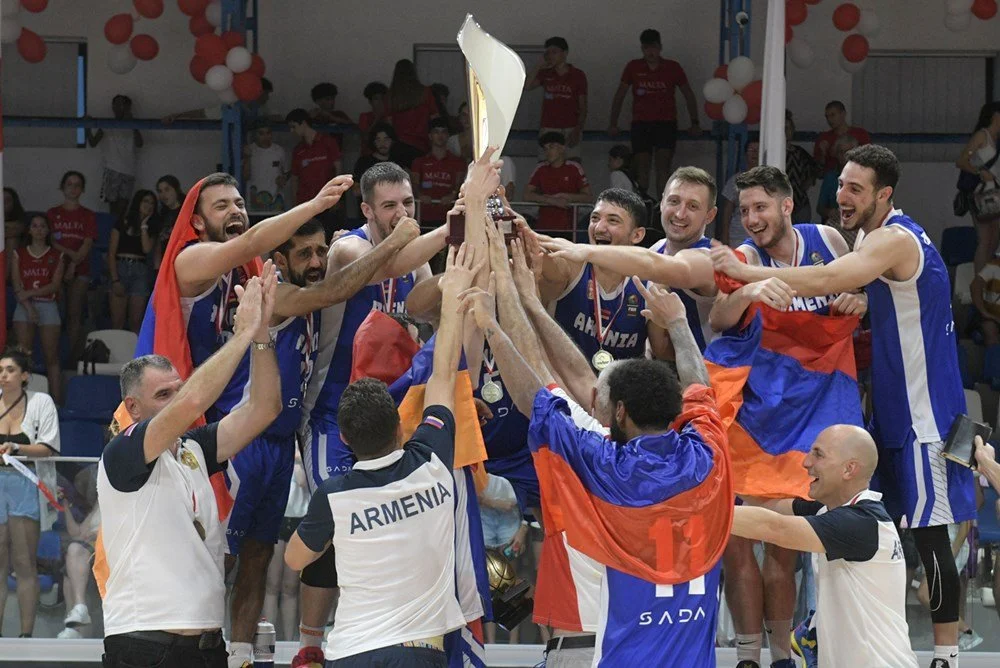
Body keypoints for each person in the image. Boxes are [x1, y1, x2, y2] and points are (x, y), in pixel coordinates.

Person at [711, 144, 974, 668]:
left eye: (856, 188)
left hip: (927, 416)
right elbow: (857, 297)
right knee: (864, 534)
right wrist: (858, 304)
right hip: (883, 416)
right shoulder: (867, 241)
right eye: (841, 185)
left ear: (884, 194)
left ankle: (947, 657)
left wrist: (746, 279)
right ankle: (822, 635)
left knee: (930, 541)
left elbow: (833, 279)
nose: (842, 195)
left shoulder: (892, 239)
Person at [163, 170, 416, 668]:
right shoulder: (209, 266)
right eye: (222, 206)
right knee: (223, 557)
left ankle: (239, 656)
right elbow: (275, 252)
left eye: (240, 201)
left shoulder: (253, 280)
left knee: (258, 554)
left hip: (278, 442)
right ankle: (197, 653)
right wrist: (319, 205)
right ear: (195, 220)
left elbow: (331, 291)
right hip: (236, 434)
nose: (235, 210)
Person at [460, 256, 728, 666]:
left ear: (618, 412)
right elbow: (700, 388)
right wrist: (678, 324)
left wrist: (492, 326)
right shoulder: (708, 456)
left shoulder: (602, 465)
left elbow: (537, 398)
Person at [291, 157, 495, 667]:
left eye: (408, 203)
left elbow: (426, 307)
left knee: (393, 526)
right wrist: (457, 218)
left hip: (394, 411)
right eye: (390, 206)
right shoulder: (348, 246)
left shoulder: (414, 249)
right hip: (335, 413)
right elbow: (388, 265)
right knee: (333, 529)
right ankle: (310, 643)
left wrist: (462, 257)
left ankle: (401, 629)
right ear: (366, 209)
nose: (402, 213)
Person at [710, 165, 866, 668]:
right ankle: (747, 657)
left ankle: (781, 657)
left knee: (785, 545)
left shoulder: (827, 240)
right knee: (739, 541)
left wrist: (858, 298)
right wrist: (748, 292)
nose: (752, 219)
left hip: (817, 406)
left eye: (761, 207)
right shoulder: (742, 259)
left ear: (786, 206)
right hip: (756, 413)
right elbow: (717, 320)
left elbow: (865, 294)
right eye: (745, 210)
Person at [97, 267, 281, 668]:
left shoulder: (193, 448)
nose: (176, 401)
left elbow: (265, 408)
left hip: (207, 645)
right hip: (144, 643)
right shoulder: (123, 452)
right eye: (163, 395)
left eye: (177, 390)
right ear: (133, 407)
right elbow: (193, 404)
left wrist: (262, 335)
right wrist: (242, 335)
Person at [732, 425, 919, 668]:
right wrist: (719, 484)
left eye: (818, 454)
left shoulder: (860, 523)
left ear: (849, 469)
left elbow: (775, 528)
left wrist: (699, 514)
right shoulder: (832, 511)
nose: (806, 462)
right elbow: (768, 507)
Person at [542, 167, 721, 354]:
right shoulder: (657, 249)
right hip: (674, 367)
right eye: (674, 201)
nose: (680, 214)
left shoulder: (709, 257)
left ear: (710, 215)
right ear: (661, 204)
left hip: (709, 370)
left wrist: (584, 249)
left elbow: (657, 266)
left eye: (693, 206)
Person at [0, 349, 61, 639]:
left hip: (26, 484)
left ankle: (26, 636)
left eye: (10, 370)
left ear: (25, 376)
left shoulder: (41, 402)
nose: (3, 375)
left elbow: (49, 447)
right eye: (1, 370)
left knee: (24, 562)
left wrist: (18, 449)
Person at [608, 28, 701, 197]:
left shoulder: (672, 67)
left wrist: (695, 122)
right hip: (641, 124)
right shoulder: (634, 67)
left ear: (660, 47)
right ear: (642, 49)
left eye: (654, 47)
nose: (650, 52)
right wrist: (613, 123)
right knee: (641, 170)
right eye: (646, 48)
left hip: (665, 123)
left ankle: (661, 211)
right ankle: (642, 208)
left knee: (663, 169)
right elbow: (619, 95)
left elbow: (688, 94)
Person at [12, 214, 65, 403]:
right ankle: (19, 399)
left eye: (43, 226)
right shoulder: (19, 253)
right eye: (35, 226)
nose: (39, 229)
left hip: (48, 304)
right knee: (23, 355)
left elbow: (54, 285)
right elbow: (17, 285)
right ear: (29, 230)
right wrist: (28, 305)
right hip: (23, 306)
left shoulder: (56, 255)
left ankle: (57, 402)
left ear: (48, 230)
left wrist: (28, 295)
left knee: (52, 357)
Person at [47, 170, 97, 364]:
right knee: (57, 314)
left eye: (77, 185)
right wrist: (67, 261)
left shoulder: (88, 215)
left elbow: (86, 245)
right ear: (62, 187)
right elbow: (51, 242)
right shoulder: (53, 213)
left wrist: (73, 264)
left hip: (80, 269)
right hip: (53, 270)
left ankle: (72, 358)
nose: (73, 188)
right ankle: (55, 355)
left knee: (74, 314)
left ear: (82, 189)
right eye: (69, 184)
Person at [262, 455, 310, 641]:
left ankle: (290, 640)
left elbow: (303, 481)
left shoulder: (306, 452)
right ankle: (268, 638)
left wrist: (299, 460)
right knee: (272, 584)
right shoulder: (277, 453)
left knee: (291, 586)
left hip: (299, 518)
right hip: (277, 517)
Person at [55, 468, 100, 640]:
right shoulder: (100, 504)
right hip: (90, 548)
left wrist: (98, 534)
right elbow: (77, 533)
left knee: (75, 552)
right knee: (71, 558)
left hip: (110, 547)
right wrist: (65, 507)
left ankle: (79, 613)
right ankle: (75, 620)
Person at [525, 36, 588, 158]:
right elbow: (527, 86)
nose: (551, 56)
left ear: (565, 53)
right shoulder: (546, 73)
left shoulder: (578, 75)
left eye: (554, 52)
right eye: (548, 53)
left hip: (570, 128)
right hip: (548, 127)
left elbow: (583, 106)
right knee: (546, 164)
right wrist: (539, 66)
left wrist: (578, 129)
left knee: (572, 163)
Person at [955, 101, 1000, 272]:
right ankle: (979, 284)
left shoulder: (997, 139)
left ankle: (987, 278)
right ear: (995, 116)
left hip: (995, 192)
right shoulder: (982, 136)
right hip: (980, 193)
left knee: (994, 238)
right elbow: (961, 161)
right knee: (985, 239)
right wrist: (980, 173)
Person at [287, 109, 344, 239]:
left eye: (293, 127)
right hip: (307, 203)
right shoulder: (298, 150)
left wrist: (338, 197)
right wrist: (296, 204)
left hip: (328, 201)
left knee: (331, 237)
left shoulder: (328, 142)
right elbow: (295, 178)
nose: (292, 131)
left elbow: (339, 170)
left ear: (303, 123)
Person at [86, 94, 143, 220]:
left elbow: (140, 143)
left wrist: (132, 123)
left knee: (122, 207)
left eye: (121, 104)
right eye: (115, 104)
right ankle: (113, 231)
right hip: (112, 169)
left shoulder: (133, 125)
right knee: (113, 207)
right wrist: (87, 127)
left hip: (129, 171)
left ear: (128, 107)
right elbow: (93, 142)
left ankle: (117, 231)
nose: (117, 107)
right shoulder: (107, 124)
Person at [525, 132, 592, 236]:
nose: (548, 152)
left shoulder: (574, 168)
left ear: (562, 148)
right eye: (545, 149)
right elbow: (527, 195)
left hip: (568, 228)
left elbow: (588, 197)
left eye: (551, 147)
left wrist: (566, 197)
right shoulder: (540, 168)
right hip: (543, 227)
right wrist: (551, 200)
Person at [108, 189, 156, 333]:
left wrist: (144, 226)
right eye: (145, 201)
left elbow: (147, 249)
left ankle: (134, 354)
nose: (149, 205)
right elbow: (111, 253)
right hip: (120, 266)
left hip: (140, 270)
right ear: (138, 202)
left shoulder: (151, 226)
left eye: (152, 203)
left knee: (136, 321)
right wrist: (115, 280)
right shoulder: (122, 221)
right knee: (117, 321)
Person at [410, 117, 467, 226]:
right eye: (436, 132)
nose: (440, 136)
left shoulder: (458, 162)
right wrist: (420, 195)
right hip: (424, 217)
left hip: (450, 216)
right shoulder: (419, 162)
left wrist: (452, 195)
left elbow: (459, 184)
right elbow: (414, 184)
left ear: (448, 136)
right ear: (430, 136)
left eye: (444, 132)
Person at [387, 59, 439, 167]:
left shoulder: (391, 95)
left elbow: (389, 124)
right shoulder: (425, 92)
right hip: (422, 144)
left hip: (399, 145)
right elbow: (435, 119)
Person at [817, 134, 860, 248]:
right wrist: (831, 212)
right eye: (841, 152)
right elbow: (820, 208)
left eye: (848, 151)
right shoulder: (831, 177)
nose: (845, 155)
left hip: (858, 226)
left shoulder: (863, 176)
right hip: (836, 226)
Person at [720, 138, 760, 248]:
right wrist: (725, 236)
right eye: (751, 150)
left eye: (757, 150)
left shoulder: (768, 182)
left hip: (760, 235)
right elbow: (727, 211)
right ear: (745, 154)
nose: (754, 153)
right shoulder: (735, 180)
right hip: (737, 236)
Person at [813, 100, 871, 174]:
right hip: (831, 179)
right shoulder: (823, 138)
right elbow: (817, 170)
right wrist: (823, 154)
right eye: (827, 117)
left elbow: (869, 160)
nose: (829, 120)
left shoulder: (860, 134)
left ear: (843, 114)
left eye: (833, 115)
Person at [244, 121, 288, 213]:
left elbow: (287, 172)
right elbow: (245, 176)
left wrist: (284, 179)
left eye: (268, 133)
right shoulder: (250, 150)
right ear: (255, 134)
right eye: (261, 133)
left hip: (276, 203)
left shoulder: (279, 151)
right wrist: (247, 157)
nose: (265, 137)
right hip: (254, 204)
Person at [785, 111, 819, 223]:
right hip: (780, 204)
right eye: (783, 128)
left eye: (789, 128)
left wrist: (807, 183)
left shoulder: (799, 152)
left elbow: (815, 169)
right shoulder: (773, 152)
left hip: (800, 204)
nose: (786, 131)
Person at [153, 175, 185, 274]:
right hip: (166, 264)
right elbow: (159, 243)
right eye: (160, 191)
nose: (163, 195)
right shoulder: (161, 215)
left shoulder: (186, 211)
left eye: (167, 189)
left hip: (184, 262)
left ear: (176, 189)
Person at [358, 81, 389, 156]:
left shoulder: (390, 117)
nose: (380, 102)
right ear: (370, 101)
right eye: (376, 99)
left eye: (382, 99)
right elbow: (365, 138)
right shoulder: (364, 116)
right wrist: (377, 118)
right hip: (368, 157)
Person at [4, 186, 26, 256]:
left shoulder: (20, 217)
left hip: (12, 251)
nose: (4, 203)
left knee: (12, 240)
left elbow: (14, 231)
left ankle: (9, 267)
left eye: (7, 200)